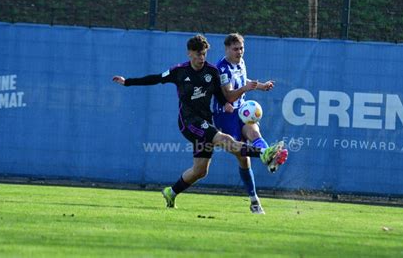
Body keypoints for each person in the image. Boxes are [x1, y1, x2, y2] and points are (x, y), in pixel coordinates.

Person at [113, 34, 288, 209]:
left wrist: (225, 103)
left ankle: (171, 192)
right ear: (189, 53)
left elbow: (220, 95)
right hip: (189, 122)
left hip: (205, 121)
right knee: (225, 140)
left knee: (200, 171)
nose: (201, 58)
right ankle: (264, 154)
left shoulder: (212, 72)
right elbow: (156, 78)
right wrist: (127, 82)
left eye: (204, 54)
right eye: (198, 54)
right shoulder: (179, 71)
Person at [212, 33, 282, 215]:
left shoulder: (241, 62)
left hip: (241, 110)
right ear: (227, 49)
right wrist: (245, 89)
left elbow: (245, 81)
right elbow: (228, 95)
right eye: (235, 49)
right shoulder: (222, 68)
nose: (239, 52)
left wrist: (261, 85)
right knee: (243, 158)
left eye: (241, 48)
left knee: (255, 134)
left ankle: (269, 158)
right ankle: (254, 200)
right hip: (225, 116)